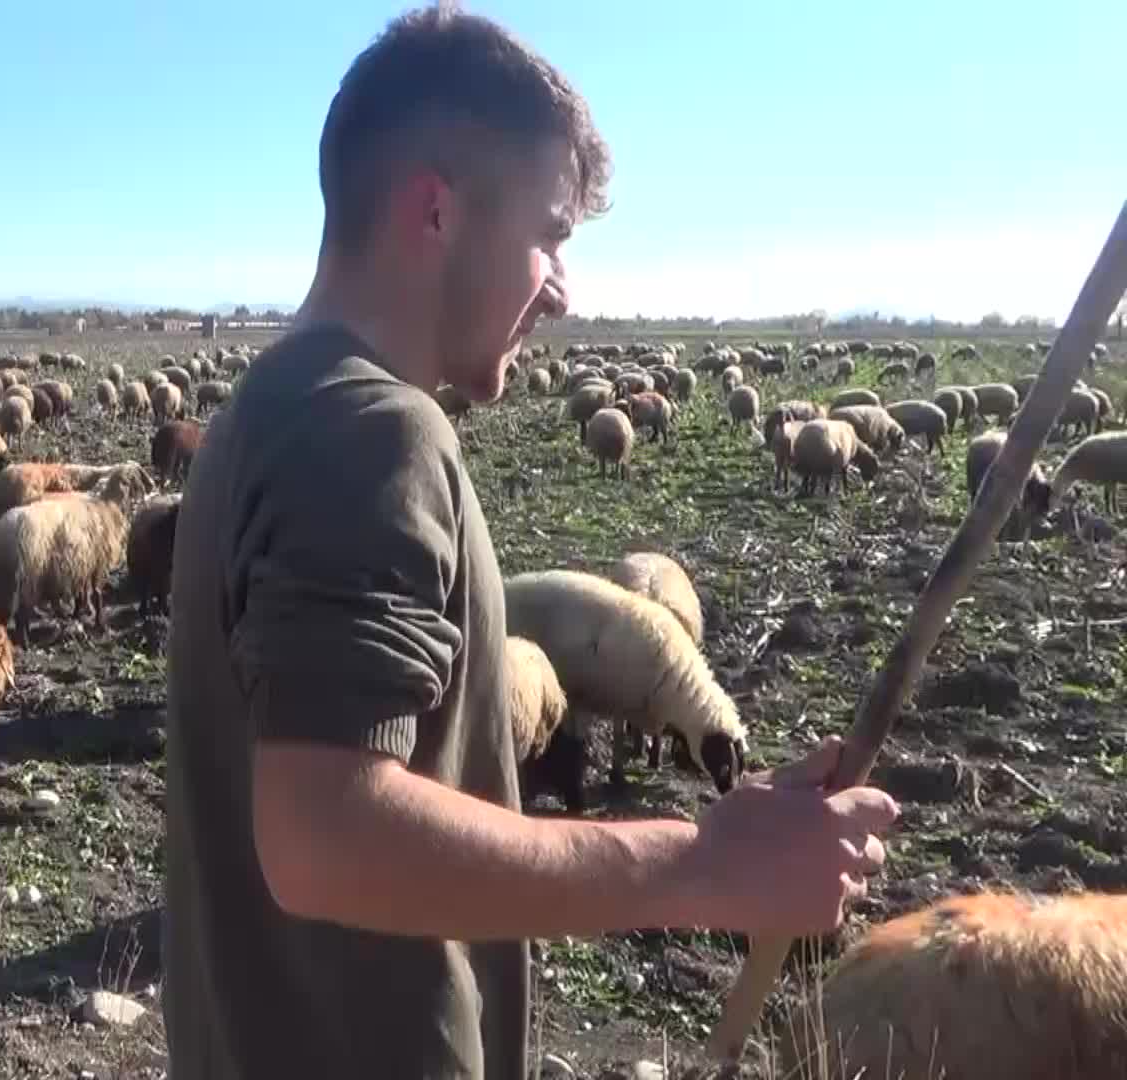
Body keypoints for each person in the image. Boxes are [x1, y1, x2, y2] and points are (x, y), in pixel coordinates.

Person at [161, 6, 901, 1080]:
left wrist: (740, 835)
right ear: (435, 212)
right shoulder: (371, 431)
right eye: (550, 235)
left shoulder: (270, 405)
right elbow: (326, 838)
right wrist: (701, 863)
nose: (562, 289)